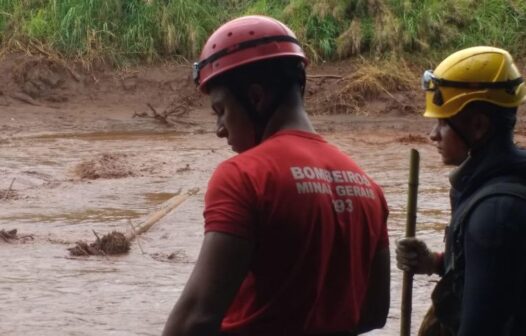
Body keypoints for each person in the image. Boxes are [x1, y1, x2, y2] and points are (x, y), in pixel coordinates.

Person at [162, 15, 390, 336]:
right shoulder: (368, 187)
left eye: (221, 111)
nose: (220, 130)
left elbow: (194, 321)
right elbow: (373, 313)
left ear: (256, 97)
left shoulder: (245, 177)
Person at [396, 46, 526, 336]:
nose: (433, 135)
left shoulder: (494, 214)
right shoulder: (497, 188)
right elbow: (495, 277)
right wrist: (436, 262)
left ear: (478, 126)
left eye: (443, 122)